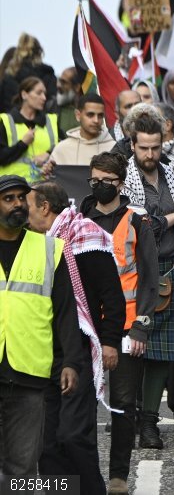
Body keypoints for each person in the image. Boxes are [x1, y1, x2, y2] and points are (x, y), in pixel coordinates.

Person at [28, 181, 124, 495]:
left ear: (44, 207)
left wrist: (110, 340)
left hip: (79, 348)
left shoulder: (86, 236)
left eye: (28, 206)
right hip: (42, 349)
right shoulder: (35, 241)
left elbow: (111, 294)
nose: (23, 213)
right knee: (47, 440)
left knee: (74, 435)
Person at [120, 108, 174, 448]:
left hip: (169, 268)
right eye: (143, 149)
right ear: (133, 145)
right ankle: (130, 414)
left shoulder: (169, 175)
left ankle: (149, 423)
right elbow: (144, 229)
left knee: (160, 355)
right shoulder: (124, 180)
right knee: (134, 350)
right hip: (136, 273)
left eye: (155, 147)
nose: (150, 155)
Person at [80, 152, 158, 494]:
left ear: (121, 184)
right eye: (94, 180)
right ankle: (83, 475)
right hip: (85, 325)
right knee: (81, 406)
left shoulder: (137, 222)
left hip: (126, 326)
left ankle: (118, 477)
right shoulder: (79, 219)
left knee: (123, 405)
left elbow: (150, 279)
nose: (99, 186)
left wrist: (142, 325)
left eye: (107, 181)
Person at [0, 174, 81, 479]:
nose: (18, 204)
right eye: (9, 199)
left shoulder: (50, 250)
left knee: (21, 469)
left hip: (30, 376)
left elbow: (65, 312)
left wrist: (72, 361)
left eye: (22, 198)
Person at [0, 77, 58, 183]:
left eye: (44, 93)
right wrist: (23, 144)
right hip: (13, 187)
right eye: (39, 93)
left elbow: (63, 146)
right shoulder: (5, 121)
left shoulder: (51, 120)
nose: (44, 98)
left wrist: (49, 153)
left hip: (43, 187)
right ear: (24, 94)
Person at [49, 92, 116, 166]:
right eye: (90, 115)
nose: (96, 120)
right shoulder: (62, 149)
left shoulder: (114, 149)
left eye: (100, 115)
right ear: (78, 115)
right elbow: (51, 175)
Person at [54, 68, 80, 139]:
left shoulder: (90, 110)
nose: (58, 85)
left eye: (64, 82)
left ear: (77, 87)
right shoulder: (51, 107)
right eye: (59, 81)